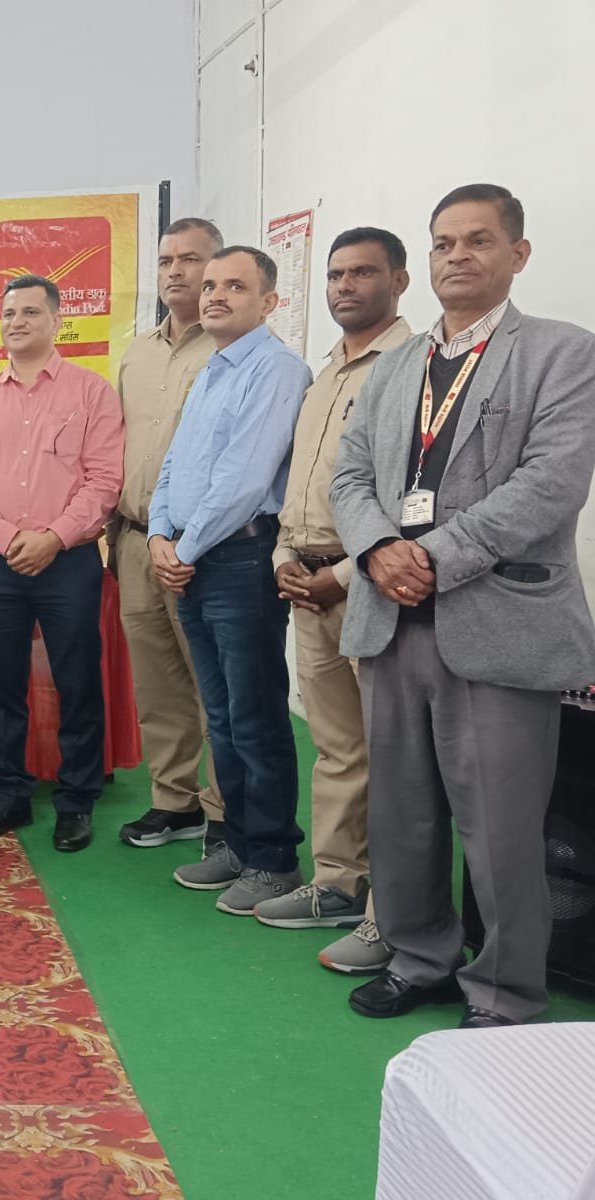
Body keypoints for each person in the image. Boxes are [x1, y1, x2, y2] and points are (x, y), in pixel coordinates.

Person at [332, 184, 595, 1029]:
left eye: (478, 241)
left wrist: (433, 558)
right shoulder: (396, 365)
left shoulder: (563, 353)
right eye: (443, 243)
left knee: (501, 830)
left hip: (498, 620)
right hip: (390, 619)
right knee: (401, 815)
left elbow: (552, 483)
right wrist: (378, 548)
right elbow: (349, 475)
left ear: (518, 254)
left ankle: (506, 992)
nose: (457, 256)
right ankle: (420, 958)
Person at [257, 229, 412, 974]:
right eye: (336, 274)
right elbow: (302, 484)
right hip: (305, 580)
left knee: (393, 757)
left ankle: (395, 914)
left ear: (399, 281)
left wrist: (344, 574)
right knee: (338, 748)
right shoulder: (323, 375)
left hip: (369, 586)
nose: (345, 286)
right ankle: (337, 884)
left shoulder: (411, 367)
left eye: (363, 273)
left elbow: (407, 498)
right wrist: (285, 557)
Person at [147, 246, 312, 913]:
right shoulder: (213, 369)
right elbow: (173, 467)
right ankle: (239, 844)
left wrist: (182, 547)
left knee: (256, 716)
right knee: (221, 716)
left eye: (235, 286)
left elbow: (245, 480)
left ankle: (273, 860)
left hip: (240, 560)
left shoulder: (276, 369)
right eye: (210, 284)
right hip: (194, 560)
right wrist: (159, 534)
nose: (215, 295)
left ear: (269, 301)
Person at [0, 274, 125, 851]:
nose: (17, 322)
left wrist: (53, 536)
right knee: (1, 686)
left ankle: (76, 801)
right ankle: (10, 796)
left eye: (30, 312)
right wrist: (8, 538)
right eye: (9, 314)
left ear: (56, 322)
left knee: (77, 681)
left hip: (69, 559)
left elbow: (104, 480)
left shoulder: (92, 393)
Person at [111, 217, 227, 854]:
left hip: (202, 549)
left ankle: (224, 811)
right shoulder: (137, 352)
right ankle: (173, 801)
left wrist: (189, 539)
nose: (176, 271)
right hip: (135, 541)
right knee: (157, 684)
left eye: (190, 259)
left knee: (216, 686)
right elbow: (118, 448)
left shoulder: (233, 350)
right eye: (165, 260)